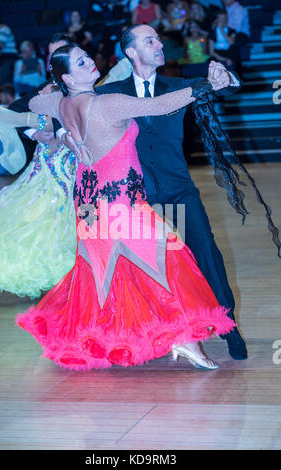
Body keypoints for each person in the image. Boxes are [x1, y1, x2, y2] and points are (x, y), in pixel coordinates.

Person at [14, 44, 236, 372]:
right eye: (81, 62)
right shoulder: (108, 103)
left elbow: (30, 102)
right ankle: (184, 341)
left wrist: (58, 128)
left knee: (102, 271)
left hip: (86, 203)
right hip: (120, 202)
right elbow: (160, 104)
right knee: (167, 259)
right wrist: (205, 85)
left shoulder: (58, 103)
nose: (91, 62)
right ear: (67, 76)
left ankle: (109, 337)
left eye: (88, 57)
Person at [94, 24, 247, 361]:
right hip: (139, 199)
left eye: (159, 39)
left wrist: (226, 77)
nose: (159, 44)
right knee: (146, 266)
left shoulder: (178, 86)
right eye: (150, 41)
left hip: (179, 191)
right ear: (131, 52)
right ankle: (157, 332)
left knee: (206, 250)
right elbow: (79, 115)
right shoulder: (113, 94)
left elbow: (227, 89)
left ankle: (228, 324)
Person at [0, 33, 77, 297]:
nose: (54, 60)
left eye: (62, 53)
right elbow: (14, 115)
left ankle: (80, 277)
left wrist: (57, 131)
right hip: (46, 167)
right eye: (51, 54)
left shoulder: (86, 88)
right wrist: (36, 133)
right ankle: (55, 278)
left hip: (76, 165)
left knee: (78, 218)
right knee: (39, 218)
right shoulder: (43, 90)